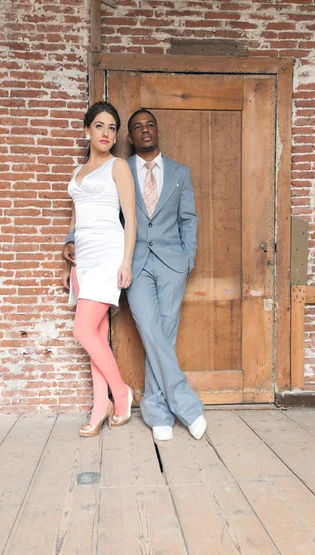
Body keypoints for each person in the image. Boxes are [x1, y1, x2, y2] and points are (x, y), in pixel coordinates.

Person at [125, 109, 207, 442]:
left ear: (157, 131)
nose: (144, 130)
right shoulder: (120, 171)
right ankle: (187, 406)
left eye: (149, 125)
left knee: (165, 334)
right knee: (151, 331)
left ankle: (157, 411)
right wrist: (73, 238)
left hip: (172, 263)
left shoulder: (180, 173)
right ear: (130, 137)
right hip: (135, 263)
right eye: (136, 127)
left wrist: (188, 258)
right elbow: (99, 210)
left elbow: (189, 219)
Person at [62, 102, 136, 437]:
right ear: (87, 130)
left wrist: (126, 262)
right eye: (99, 126)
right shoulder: (77, 173)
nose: (106, 133)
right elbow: (76, 218)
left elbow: (130, 219)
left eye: (111, 128)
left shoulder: (118, 166)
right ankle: (99, 405)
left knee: (82, 331)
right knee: (96, 335)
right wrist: (67, 246)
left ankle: (120, 394)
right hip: (84, 259)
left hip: (108, 254)